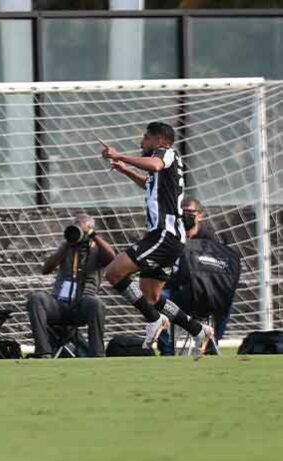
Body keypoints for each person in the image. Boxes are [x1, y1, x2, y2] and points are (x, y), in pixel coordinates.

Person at [100, 122, 214, 359]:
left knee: (113, 273)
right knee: (150, 295)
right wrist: (126, 170)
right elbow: (150, 184)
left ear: (159, 141)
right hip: (170, 238)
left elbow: (155, 163)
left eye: (146, 138)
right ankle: (198, 330)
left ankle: (154, 320)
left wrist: (119, 154)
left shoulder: (166, 154)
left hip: (164, 234)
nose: (142, 141)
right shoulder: (163, 170)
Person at [26, 213, 114, 358]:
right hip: (59, 303)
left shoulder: (97, 249)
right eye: (76, 225)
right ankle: (43, 352)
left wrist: (92, 235)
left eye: (82, 226)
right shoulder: (67, 248)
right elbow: (45, 269)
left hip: (82, 303)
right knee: (37, 298)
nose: (78, 229)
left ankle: (97, 355)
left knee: (96, 303)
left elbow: (111, 257)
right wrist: (66, 245)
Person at [157, 197, 235, 355]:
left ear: (200, 216)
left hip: (202, 289)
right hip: (175, 290)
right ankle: (166, 350)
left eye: (190, 212)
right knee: (157, 297)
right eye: (182, 212)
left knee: (226, 297)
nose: (185, 215)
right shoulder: (169, 234)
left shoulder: (210, 239)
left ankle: (212, 345)